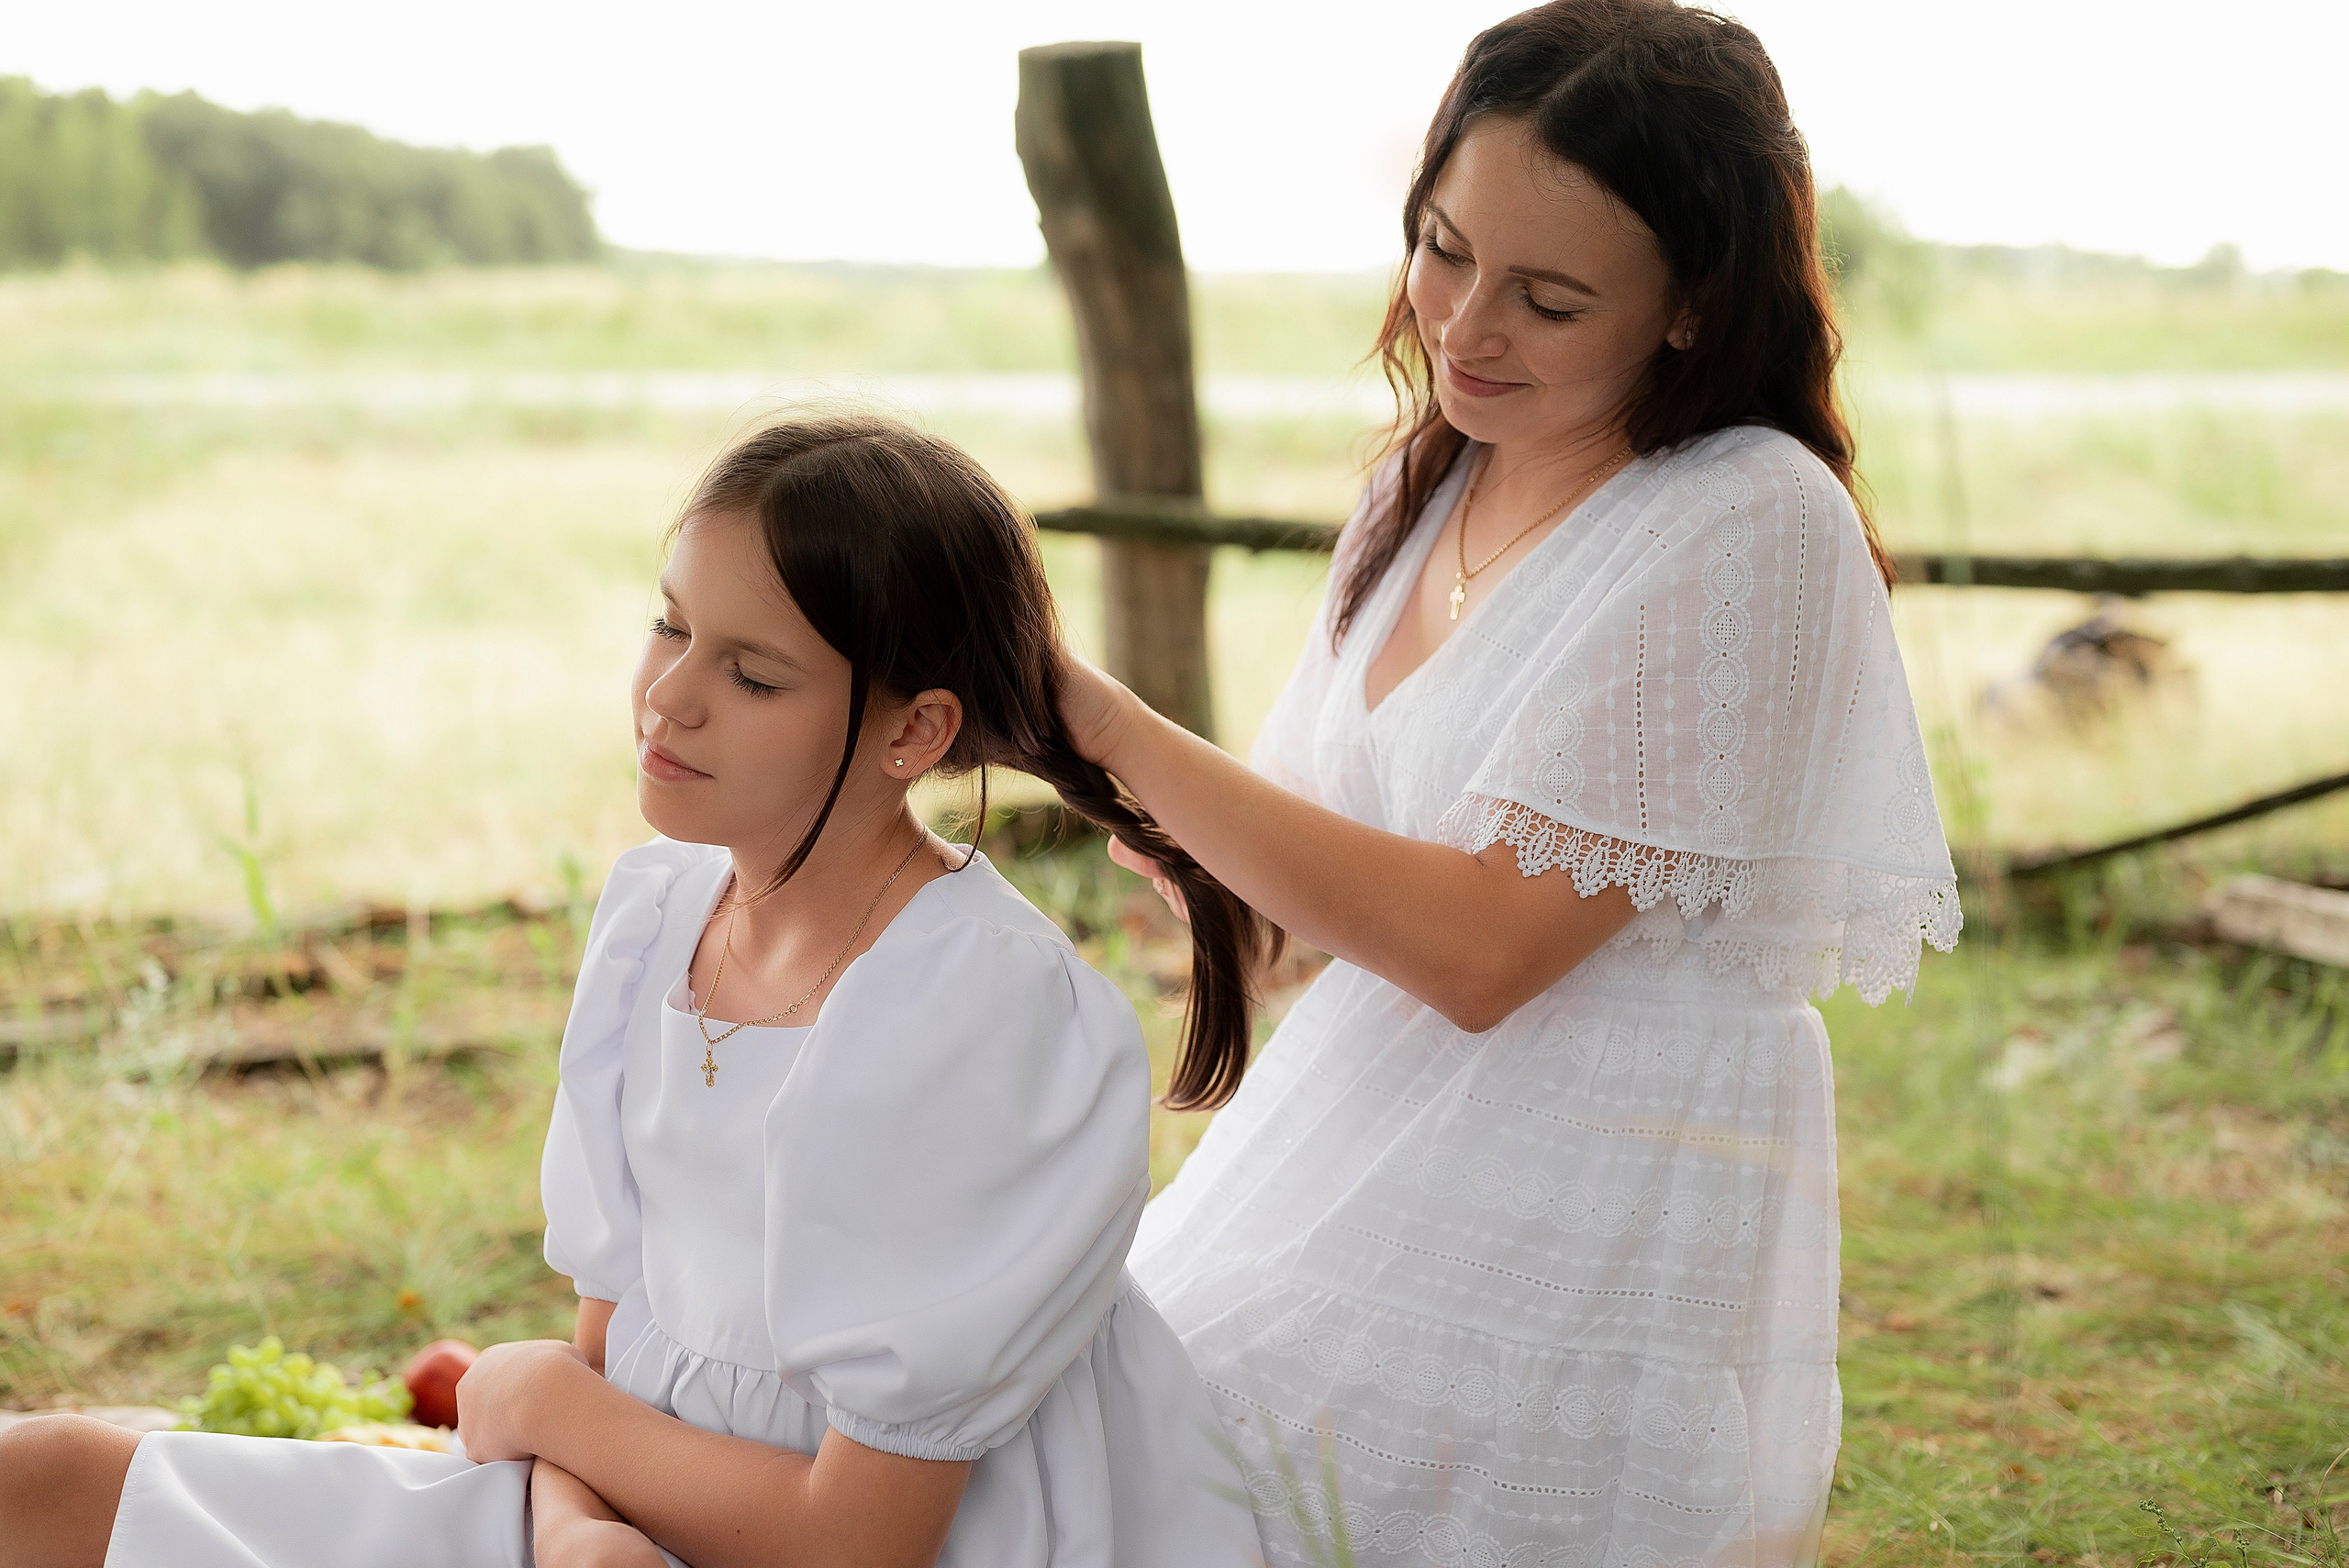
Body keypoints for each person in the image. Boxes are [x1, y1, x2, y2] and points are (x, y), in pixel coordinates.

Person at [0, 416, 1273, 1568]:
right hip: (622, 1512)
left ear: (914, 733)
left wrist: (548, 1409)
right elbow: (604, 1361)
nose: (668, 696)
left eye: (751, 674)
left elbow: (859, 1539)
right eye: (670, 624)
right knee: (39, 1479)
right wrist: (577, 1529)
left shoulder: (978, 1017)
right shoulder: (661, 918)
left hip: (864, 1547)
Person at [1054, 3, 1962, 1562]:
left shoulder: (1747, 519)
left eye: (1546, 298)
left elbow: (1482, 950)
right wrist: (1141, 824)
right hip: (1346, 1142)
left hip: (1579, 1213)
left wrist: (1112, 718)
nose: (1465, 329)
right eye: (1444, 249)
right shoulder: (1427, 484)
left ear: (1692, 307)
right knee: (1059, 1465)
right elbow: (1301, 924)